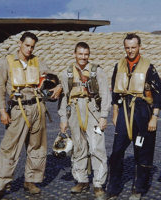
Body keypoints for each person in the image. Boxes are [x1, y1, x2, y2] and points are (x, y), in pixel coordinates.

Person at [0, 32, 62, 200]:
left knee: (37, 147)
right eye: (27, 45)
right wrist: (2, 111)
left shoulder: (38, 62)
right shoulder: (6, 62)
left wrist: (58, 87)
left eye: (32, 46)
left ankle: (31, 181)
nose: (29, 49)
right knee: (9, 148)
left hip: (37, 108)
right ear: (20, 43)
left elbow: (54, 78)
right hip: (18, 109)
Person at [106, 33, 161, 200]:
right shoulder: (120, 65)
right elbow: (115, 90)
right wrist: (115, 112)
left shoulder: (148, 67)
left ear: (139, 47)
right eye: (127, 47)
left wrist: (154, 117)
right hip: (124, 110)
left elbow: (158, 93)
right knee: (117, 151)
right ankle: (114, 188)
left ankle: (138, 188)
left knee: (142, 150)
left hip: (142, 111)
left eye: (133, 47)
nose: (130, 50)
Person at [58, 42, 111, 200]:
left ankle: (98, 183)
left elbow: (105, 94)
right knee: (78, 147)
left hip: (93, 113)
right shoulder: (67, 73)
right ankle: (81, 180)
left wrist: (103, 116)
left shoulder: (97, 72)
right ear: (74, 54)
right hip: (74, 113)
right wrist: (63, 118)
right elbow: (64, 98)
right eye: (80, 54)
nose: (83, 57)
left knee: (96, 147)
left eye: (86, 54)